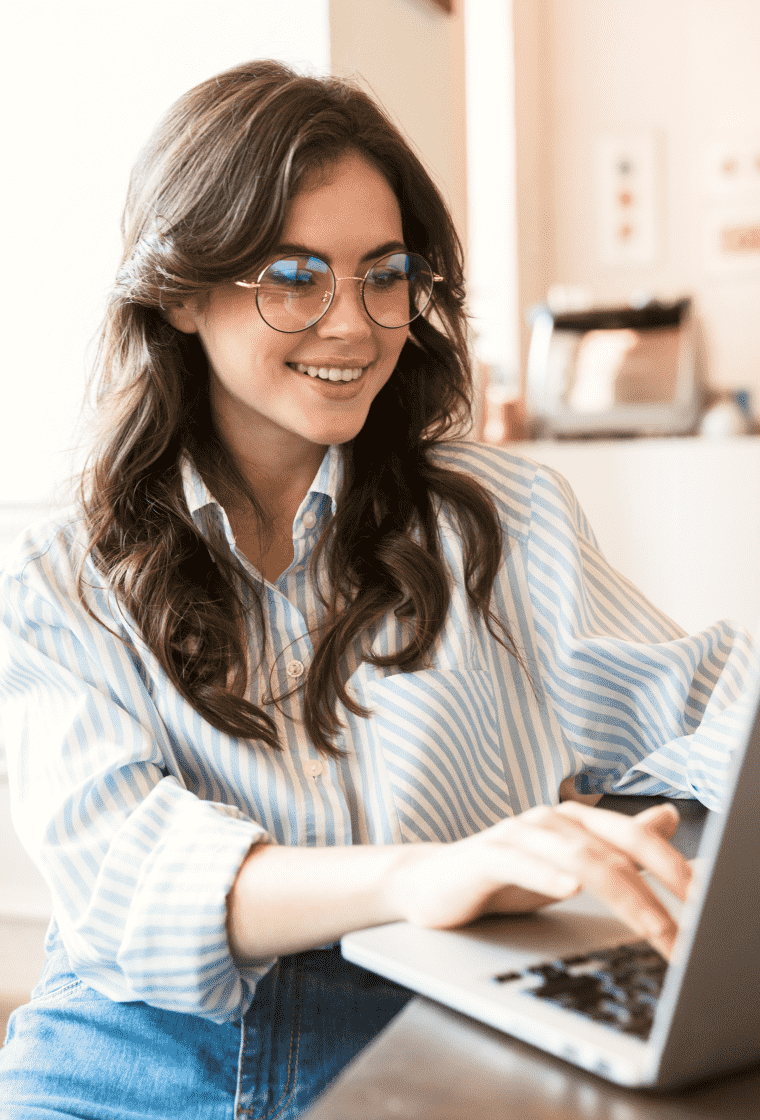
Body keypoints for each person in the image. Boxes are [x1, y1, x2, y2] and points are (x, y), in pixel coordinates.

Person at [0, 60, 752, 1120]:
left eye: (384, 273)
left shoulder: (505, 520)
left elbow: (727, 721)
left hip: (429, 1010)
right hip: (131, 1049)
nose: (354, 325)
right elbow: (124, 876)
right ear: (178, 291)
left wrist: (601, 839)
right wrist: (417, 872)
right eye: (295, 276)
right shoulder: (56, 573)